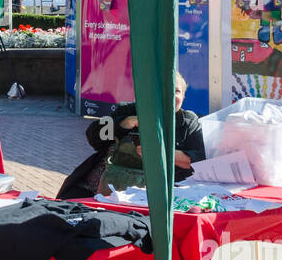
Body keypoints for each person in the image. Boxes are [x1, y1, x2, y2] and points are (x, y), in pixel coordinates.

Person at [57, 73, 205, 200]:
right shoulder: (128, 109)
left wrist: (160, 153)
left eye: (177, 91)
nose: (170, 96)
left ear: (184, 97)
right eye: (163, 90)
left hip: (152, 193)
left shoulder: (188, 122)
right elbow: (93, 136)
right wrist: (125, 123)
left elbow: (200, 159)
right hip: (101, 185)